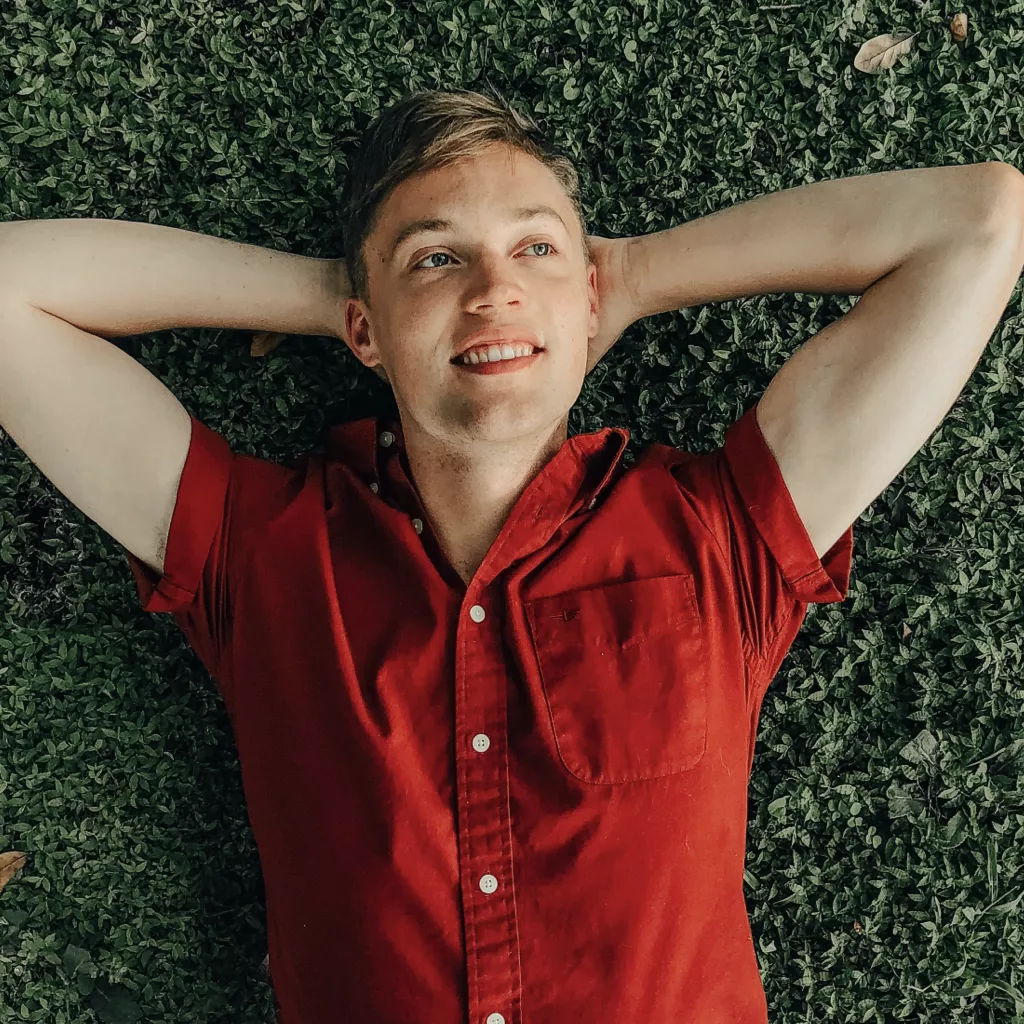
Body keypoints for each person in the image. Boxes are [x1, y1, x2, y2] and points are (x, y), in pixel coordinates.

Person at [1, 86, 1021, 1024]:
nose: (492, 289)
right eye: (436, 260)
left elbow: (980, 221)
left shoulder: (719, 535)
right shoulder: (261, 554)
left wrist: (624, 277)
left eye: (531, 250)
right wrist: (335, 294)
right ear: (365, 326)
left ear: (583, 297)